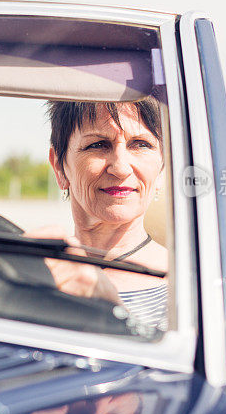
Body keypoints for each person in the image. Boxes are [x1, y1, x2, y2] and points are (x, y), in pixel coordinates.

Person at [41, 99, 168, 333]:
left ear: (161, 168)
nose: (120, 168)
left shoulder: (194, 286)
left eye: (140, 144)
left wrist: (111, 308)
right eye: (98, 145)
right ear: (59, 167)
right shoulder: (39, 273)